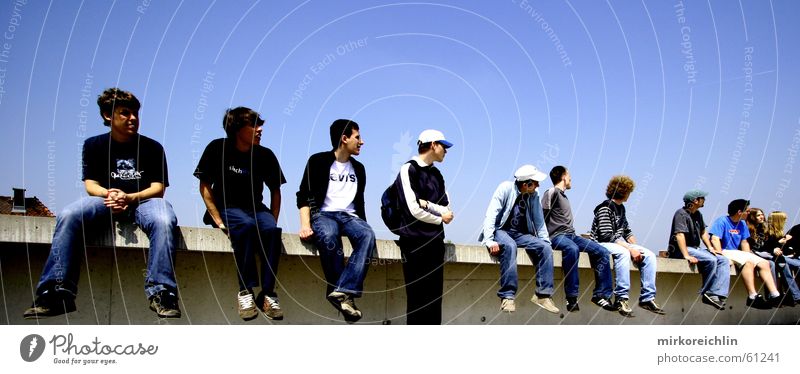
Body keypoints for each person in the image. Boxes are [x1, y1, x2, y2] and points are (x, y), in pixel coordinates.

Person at [24, 88, 180, 319]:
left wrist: (129, 197)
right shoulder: (94, 145)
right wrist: (112, 194)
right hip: (105, 199)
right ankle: (57, 293)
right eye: (125, 113)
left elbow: (158, 189)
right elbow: (91, 185)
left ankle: (162, 293)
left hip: (143, 201)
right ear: (108, 115)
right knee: (69, 214)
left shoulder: (152, 147)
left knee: (164, 218)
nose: (133, 118)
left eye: (135, 113)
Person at [194, 107, 286, 320]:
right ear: (237, 129)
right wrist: (217, 219)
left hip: (256, 209)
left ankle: (268, 293)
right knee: (245, 226)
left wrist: (272, 218)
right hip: (228, 208)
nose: (260, 129)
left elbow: (276, 191)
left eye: (260, 124)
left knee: (271, 231)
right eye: (254, 125)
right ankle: (246, 291)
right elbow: (205, 186)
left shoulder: (265, 154)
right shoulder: (218, 148)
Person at [297, 119, 376, 323]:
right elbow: (303, 195)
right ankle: (342, 294)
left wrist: (363, 225)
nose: (362, 142)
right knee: (330, 235)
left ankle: (340, 291)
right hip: (323, 214)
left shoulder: (359, 169)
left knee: (367, 235)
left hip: (350, 216)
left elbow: (360, 202)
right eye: (357, 137)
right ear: (344, 138)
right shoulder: (318, 161)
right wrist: (305, 224)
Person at [479, 164, 559, 314]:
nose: (538, 185)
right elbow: (491, 213)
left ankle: (542, 295)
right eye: (535, 183)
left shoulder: (534, 195)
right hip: (501, 230)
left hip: (521, 234)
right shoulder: (505, 188)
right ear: (526, 184)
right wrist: (489, 240)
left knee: (546, 248)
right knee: (510, 246)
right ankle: (507, 297)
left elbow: (538, 219)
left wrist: (545, 241)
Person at [393, 129, 454, 324]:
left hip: (435, 242)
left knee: (435, 300)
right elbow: (412, 209)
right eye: (444, 146)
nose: (446, 150)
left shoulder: (437, 174)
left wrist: (427, 204)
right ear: (433, 144)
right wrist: (438, 217)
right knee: (417, 299)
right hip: (414, 242)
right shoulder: (408, 169)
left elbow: (448, 209)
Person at [542, 166, 615, 313]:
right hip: (557, 236)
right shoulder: (551, 192)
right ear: (563, 177)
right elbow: (541, 217)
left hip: (572, 235)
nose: (570, 179)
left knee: (602, 252)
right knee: (572, 249)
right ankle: (571, 297)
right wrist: (542, 239)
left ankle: (601, 295)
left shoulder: (563, 196)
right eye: (569, 175)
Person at [590, 175, 663, 317]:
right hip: (601, 243)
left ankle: (647, 298)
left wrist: (636, 248)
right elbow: (607, 236)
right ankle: (621, 298)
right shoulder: (605, 208)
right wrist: (630, 249)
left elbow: (627, 231)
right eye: (629, 192)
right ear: (623, 192)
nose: (630, 195)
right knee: (623, 253)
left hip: (616, 243)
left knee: (649, 255)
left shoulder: (621, 208)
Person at [709, 199, 781, 309]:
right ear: (739, 212)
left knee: (764, 263)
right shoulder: (722, 221)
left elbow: (744, 242)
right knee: (748, 263)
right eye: (747, 211)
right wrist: (720, 256)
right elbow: (715, 238)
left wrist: (749, 255)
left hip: (738, 252)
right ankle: (752, 296)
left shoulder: (742, 224)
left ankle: (775, 295)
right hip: (725, 251)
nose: (748, 213)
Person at [667, 190, 730, 310]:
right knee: (711, 260)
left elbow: (703, 232)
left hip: (696, 249)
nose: (704, 200)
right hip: (681, 250)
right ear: (695, 200)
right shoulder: (681, 214)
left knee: (723, 260)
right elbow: (679, 235)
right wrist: (686, 255)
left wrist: (711, 248)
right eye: (702, 198)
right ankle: (707, 292)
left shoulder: (698, 214)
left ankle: (717, 293)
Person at [753, 211, 800, 306]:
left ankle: (791, 296)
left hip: (780, 257)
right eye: (784, 219)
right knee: (782, 264)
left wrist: (787, 247)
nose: (786, 221)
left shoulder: (779, 233)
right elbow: (762, 248)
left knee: (784, 264)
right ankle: (791, 296)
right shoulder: (766, 233)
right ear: (778, 221)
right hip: (770, 257)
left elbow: (784, 249)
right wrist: (779, 244)